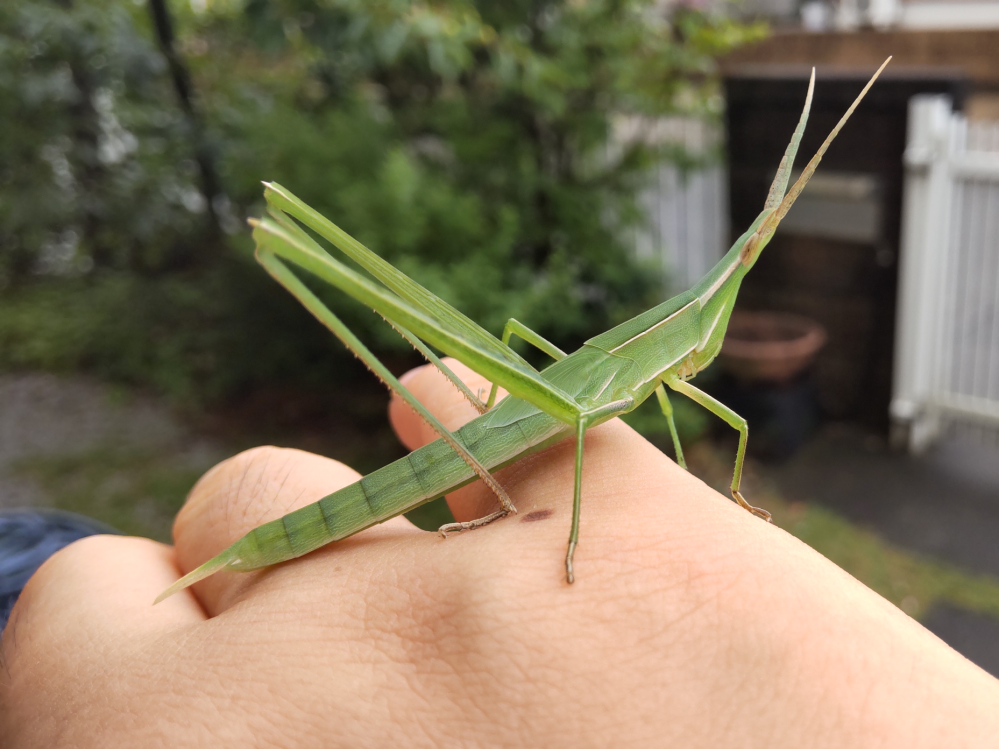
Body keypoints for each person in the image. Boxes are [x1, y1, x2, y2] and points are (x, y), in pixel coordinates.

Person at [3, 359, 997, 747]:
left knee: (50, 556)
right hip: (525, 420)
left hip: (528, 409)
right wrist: (573, 530)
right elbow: (611, 417)